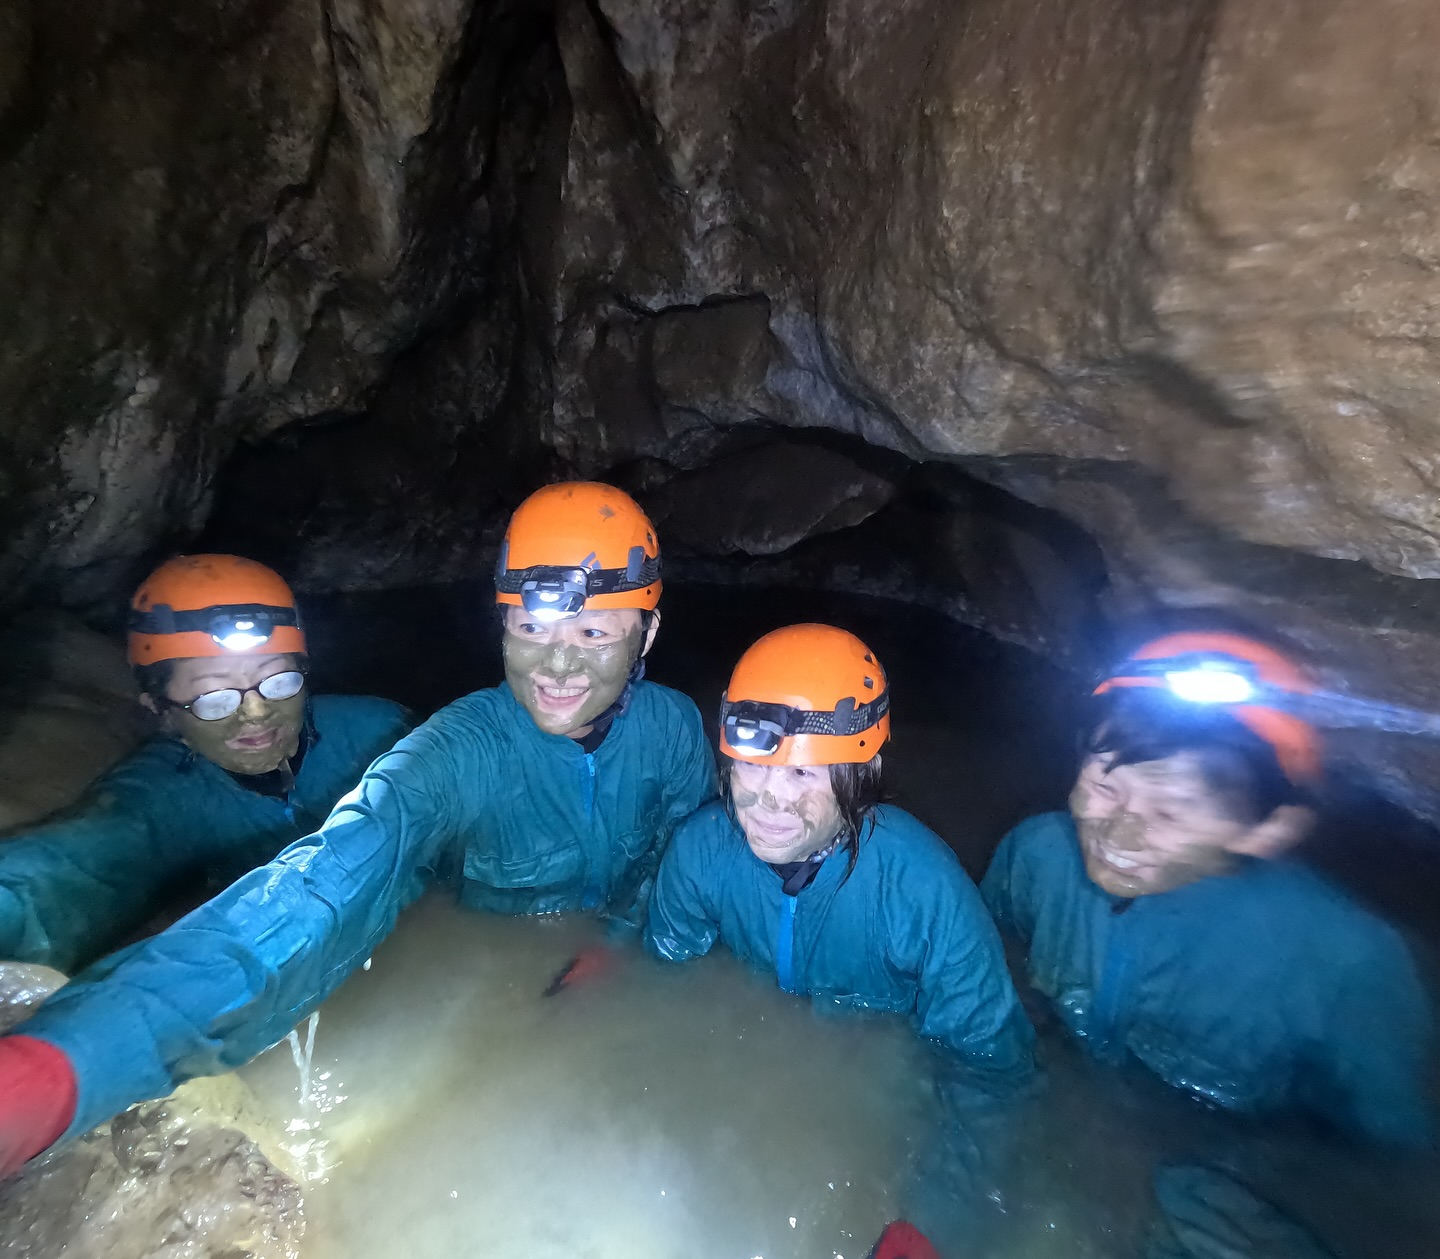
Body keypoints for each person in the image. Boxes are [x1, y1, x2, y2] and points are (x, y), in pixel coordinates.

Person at [0, 482, 717, 1177]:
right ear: (501, 622)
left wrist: (620, 944)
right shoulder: (448, 755)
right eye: (530, 627)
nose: (556, 663)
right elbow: (318, 890)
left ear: (646, 631)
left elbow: (683, 851)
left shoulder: (675, 726)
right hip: (495, 974)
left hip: (611, 970)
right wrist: (61, 1068)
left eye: (592, 631)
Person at [645, 623, 1034, 1254]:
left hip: (892, 1082)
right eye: (751, 763)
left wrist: (935, 1219)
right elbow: (661, 979)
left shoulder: (924, 891)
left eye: (803, 774)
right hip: (759, 1064)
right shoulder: (700, 851)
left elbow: (993, 1073)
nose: (767, 797)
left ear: (862, 772)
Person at [981, 631, 1434, 1149]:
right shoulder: (1037, 853)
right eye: (1106, 787)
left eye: (1170, 813)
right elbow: (998, 958)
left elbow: (1396, 1158)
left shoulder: (1348, 964)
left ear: (1269, 829)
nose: (1118, 837)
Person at [0, 555, 413, 975]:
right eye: (215, 697)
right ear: (163, 712)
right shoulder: (166, 797)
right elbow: (78, 858)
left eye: (278, 680)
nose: (256, 711)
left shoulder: (377, 731)